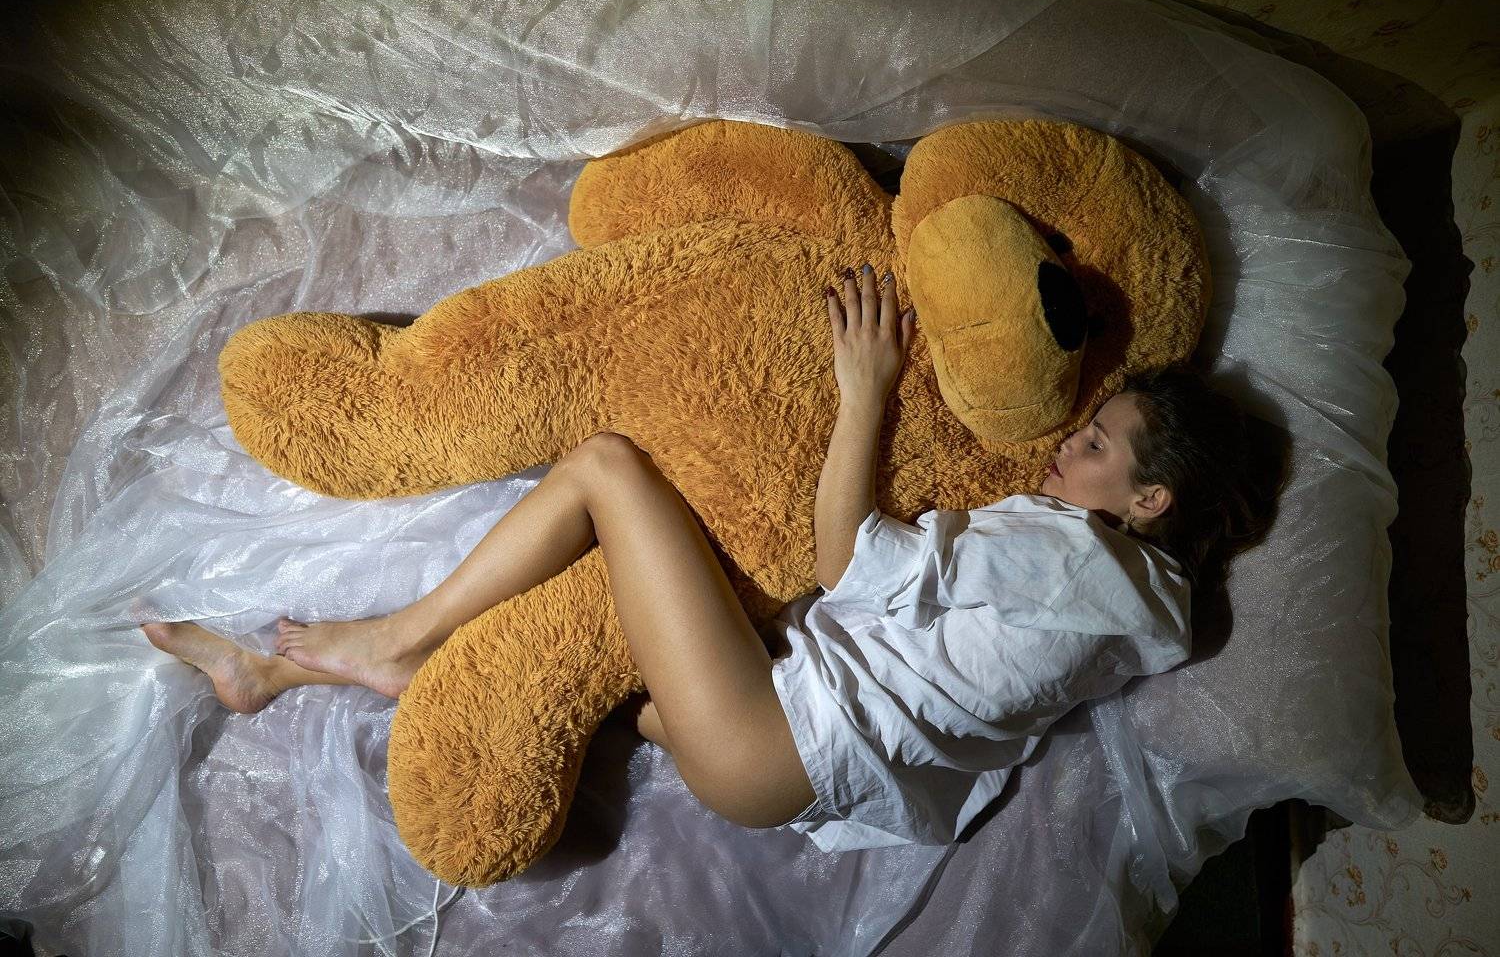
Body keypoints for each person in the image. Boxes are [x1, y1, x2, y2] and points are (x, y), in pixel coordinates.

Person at [141, 260, 1269, 843]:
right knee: (582, 651)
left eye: (1094, 444)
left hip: (775, 742)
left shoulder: (1076, 558)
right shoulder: (1142, 612)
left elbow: (849, 563)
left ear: (1149, 498)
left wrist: (864, 391)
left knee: (607, 466)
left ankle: (399, 636)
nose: (1063, 447)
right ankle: (274, 675)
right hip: (796, 763)